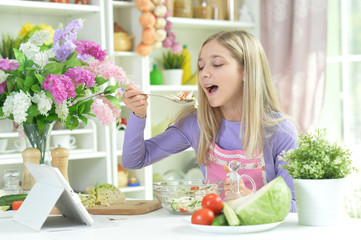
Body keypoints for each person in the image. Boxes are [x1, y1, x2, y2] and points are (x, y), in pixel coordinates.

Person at [122, 30, 298, 212]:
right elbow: (134, 160)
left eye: (217, 64)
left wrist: (252, 199)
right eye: (201, 67)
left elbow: (296, 205)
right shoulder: (195, 123)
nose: (204, 74)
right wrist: (138, 114)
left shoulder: (279, 131)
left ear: (246, 71)